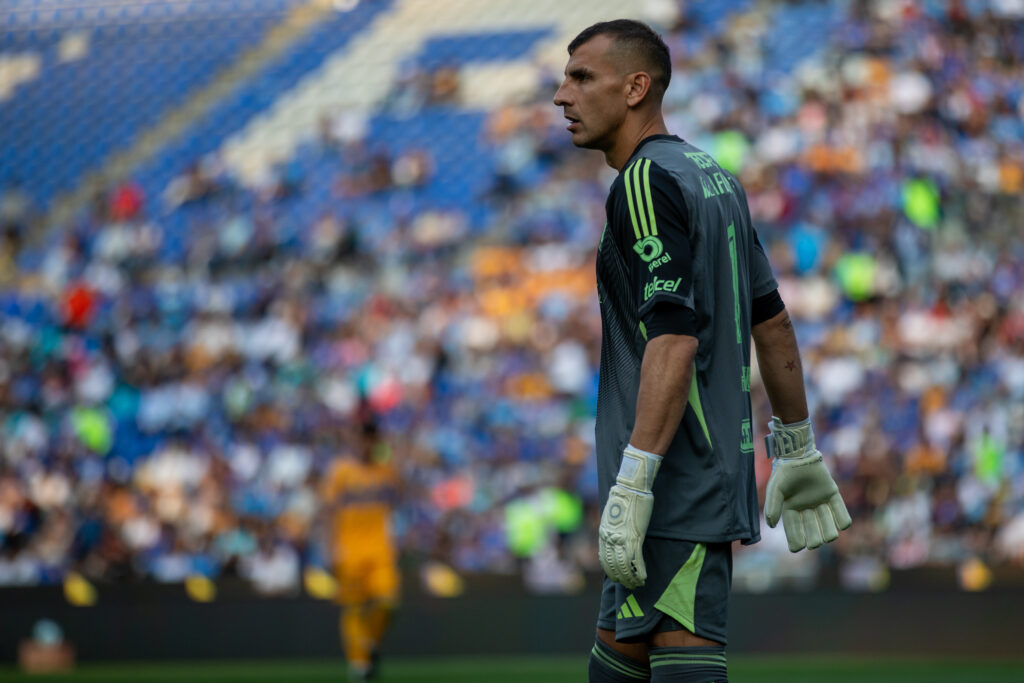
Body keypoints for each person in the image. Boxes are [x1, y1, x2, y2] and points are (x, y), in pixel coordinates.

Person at [553, 20, 852, 682]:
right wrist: (796, 444)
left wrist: (634, 484)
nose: (560, 95)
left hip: (671, 483)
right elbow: (769, 321)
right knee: (624, 654)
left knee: (679, 653)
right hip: (689, 476)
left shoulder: (642, 182)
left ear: (636, 88)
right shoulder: (712, 174)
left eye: (580, 78)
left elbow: (674, 338)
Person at [320, 419, 401, 681]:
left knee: (388, 601)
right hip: (350, 551)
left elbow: (401, 498)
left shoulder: (386, 470)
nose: (366, 444)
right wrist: (329, 548)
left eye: (371, 438)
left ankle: (368, 644)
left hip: (380, 550)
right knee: (353, 608)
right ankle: (359, 665)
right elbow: (329, 512)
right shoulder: (340, 471)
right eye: (362, 437)